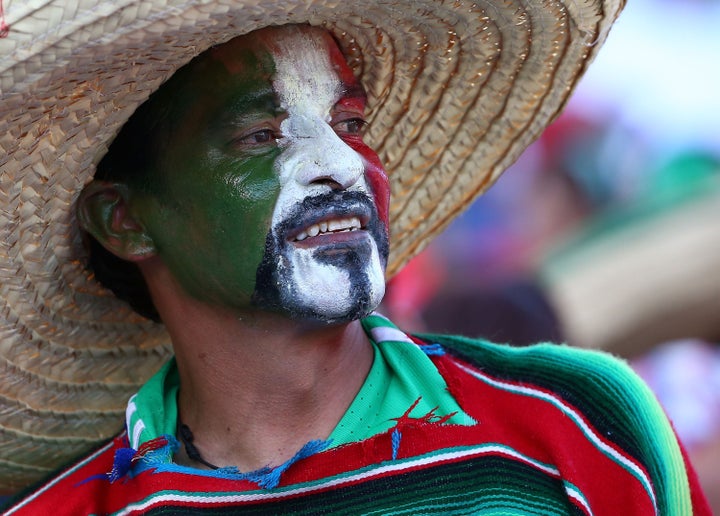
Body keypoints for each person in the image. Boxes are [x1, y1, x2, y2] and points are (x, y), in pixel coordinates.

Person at [0, 0, 710, 514]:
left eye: (350, 123)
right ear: (123, 220)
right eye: (260, 136)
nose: (341, 165)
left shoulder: (581, 424)